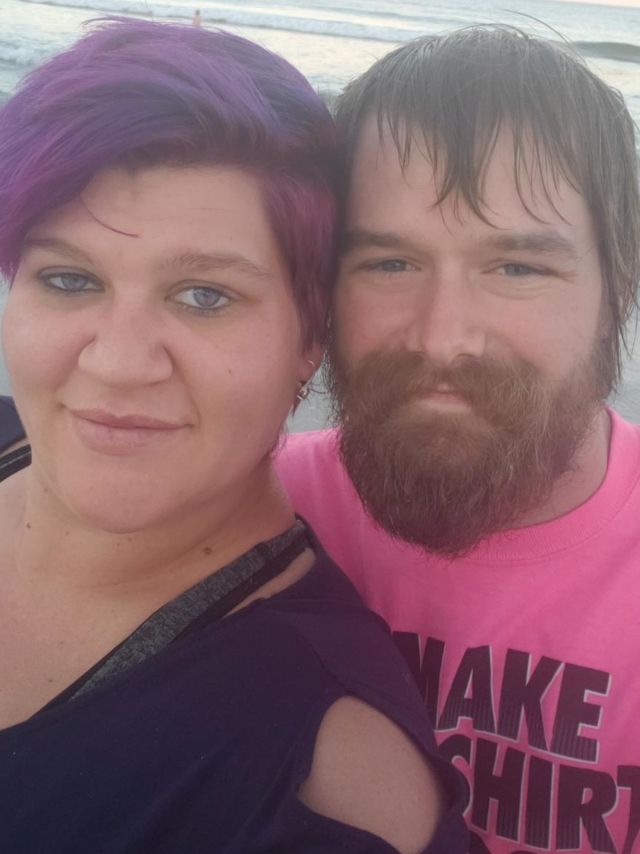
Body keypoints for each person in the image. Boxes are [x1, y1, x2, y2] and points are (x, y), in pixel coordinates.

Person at [0, 19, 466, 853]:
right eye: (69, 279)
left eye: (204, 296)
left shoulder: (318, 776)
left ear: (310, 337)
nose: (118, 363)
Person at [276, 27, 640, 854]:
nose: (443, 338)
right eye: (390, 264)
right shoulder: (250, 516)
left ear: (617, 290)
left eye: (517, 268)